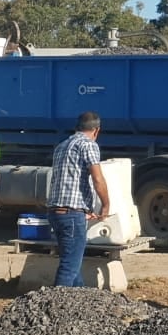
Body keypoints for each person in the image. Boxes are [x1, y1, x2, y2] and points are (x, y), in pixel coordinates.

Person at [46, 110, 111, 288]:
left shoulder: (61, 146)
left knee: (72, 264)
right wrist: (105, 206)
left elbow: (68, 182)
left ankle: (81, 301)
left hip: (56, 212)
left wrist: (84, 209)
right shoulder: (88, 145)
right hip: (71, 215)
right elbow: (97, 178)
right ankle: (56, 308)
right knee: (69, 267)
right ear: (96, 130)